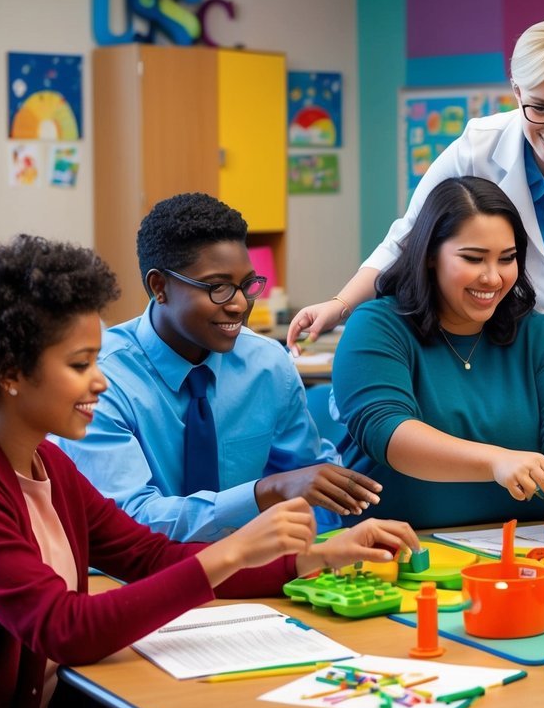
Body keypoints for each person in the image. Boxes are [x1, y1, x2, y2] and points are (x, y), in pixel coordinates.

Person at [0, 236, 417, 708]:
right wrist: (231, 553)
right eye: (80, 364)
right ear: (9, 373)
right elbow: (65, 628)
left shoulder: (48, 465)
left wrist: (313, 560)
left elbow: (148, 557)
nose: (101, 379)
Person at [289, 16, 544, 507]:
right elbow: (411, 234)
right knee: (505, 490)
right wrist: (342, 303)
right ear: (515, 90)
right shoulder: (479, 145)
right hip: (506, 344)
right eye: (540, 108)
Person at [60, 193, 380, 542]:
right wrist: (264, 492)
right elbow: (128, 524)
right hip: (126, 581)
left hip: (250, 572)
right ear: (159, 287)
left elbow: (312, 479)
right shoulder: (98, 380)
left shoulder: (267, 365)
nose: (240, 304)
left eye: (246, 286)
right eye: (218, 288)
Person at [332, 176, 544, 563]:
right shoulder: (378, 326)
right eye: (473, 258)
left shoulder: (538, 334)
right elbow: (387, 430)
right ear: (430, 254)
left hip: (524, 553)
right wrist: (496, 461)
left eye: (507, 259)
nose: (493, 277)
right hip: (400, 554)